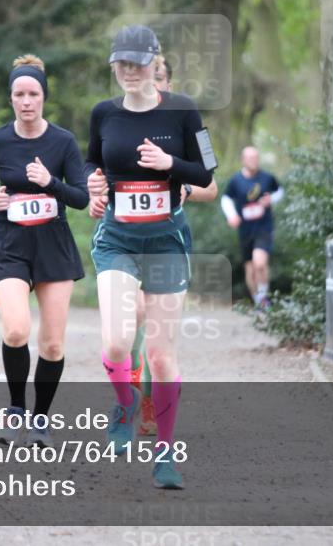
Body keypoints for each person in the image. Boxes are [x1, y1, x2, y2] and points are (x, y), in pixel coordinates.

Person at [87, 25, 214, 489]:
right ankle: (124, 402)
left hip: (166, 241)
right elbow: (90, 163)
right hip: (118, 238)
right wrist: (93, 185)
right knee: (119, 343)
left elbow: (206, 172)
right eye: (121, 63)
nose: (129, 71)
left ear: (154, 62)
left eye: (137, 63)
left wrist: (170, 166)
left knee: (160, 356)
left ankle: (165, 454)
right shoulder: (103, 113)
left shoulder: (183, 111)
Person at [0, 54, 89, 448]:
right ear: (11, 98)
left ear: (44, 97)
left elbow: (79, 197)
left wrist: (50, 183)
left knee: (53, 343)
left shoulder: (62, 141)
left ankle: (40, 419)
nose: (26, 101)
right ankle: (14, 410)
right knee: (16, 330)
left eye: (33, 94)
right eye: (19, 94)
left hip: (53, 245)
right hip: (9, 243)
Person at [127, 54, 217, 436]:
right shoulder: (120, 121)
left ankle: (150, 399)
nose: (154, 84)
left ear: (168, 81)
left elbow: (212, 187)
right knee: (132, 319)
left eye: (160, 77)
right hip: (127, 239)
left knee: (155, 327)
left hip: (168, 237)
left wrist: (185, 189)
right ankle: (134, 390)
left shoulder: (189, 122)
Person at [221, 146, 283, 309]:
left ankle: (264, 299)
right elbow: (226, 199)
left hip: (264, 227)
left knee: (260, 263)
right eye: (249, 158)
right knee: (250, 268)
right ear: (243, 160)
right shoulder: (236, 180)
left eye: (255, 157)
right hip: (245, 230)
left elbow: (280, 192)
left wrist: (272, 200)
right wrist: (232, 215)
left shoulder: (267, 178)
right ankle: (259, 302)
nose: (253, 161)